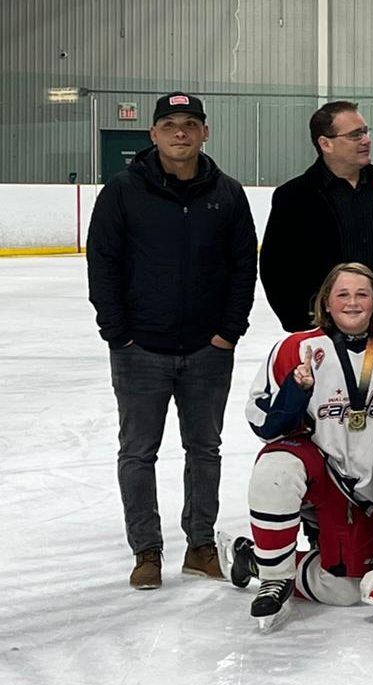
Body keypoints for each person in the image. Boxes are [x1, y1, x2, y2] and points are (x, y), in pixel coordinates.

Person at [86, 91, 257, 589]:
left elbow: (243, 266)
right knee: (138, 452)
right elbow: (104, 263)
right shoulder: (123, 190)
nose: (180, 132)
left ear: (205, 132)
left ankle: (200, 546)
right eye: (169, 124)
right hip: (141, 350)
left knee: (204, 449)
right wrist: (118, 333)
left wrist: (229, 332)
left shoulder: (227, 192)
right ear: (153, 134)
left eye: (190, 123)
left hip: (208, 350)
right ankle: (147, 552)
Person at [219, 263, 373, 630]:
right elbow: (266, 426)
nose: (352, 302)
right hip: (323, 477)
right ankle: (274, 576)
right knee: (276, 467)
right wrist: (297, 390)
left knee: (346, 590)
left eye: (362, 294)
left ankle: (252, 559)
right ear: (326, 302)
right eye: (342, 294)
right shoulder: (297, 348)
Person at [261, 100, 373, 332]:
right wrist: (300, 322)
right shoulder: (294, 196)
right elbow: (275, 268)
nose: (366, 140)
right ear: (326, 144)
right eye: (355, 135)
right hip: (321, 327)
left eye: (365, 131)